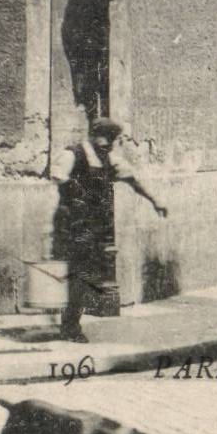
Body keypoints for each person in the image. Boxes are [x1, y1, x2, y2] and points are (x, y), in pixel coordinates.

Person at [52, 119, 167, 342]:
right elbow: (58, 180)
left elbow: (133, 180)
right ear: (93, 135)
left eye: (111, 141)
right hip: (70, 226)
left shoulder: (109, 160)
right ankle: (70, 327)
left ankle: (71, 322)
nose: (108, 145)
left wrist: (155, 200)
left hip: (93, 227)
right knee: (77, 275)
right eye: (104, 139)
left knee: (83, 276)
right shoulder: (71, 155)